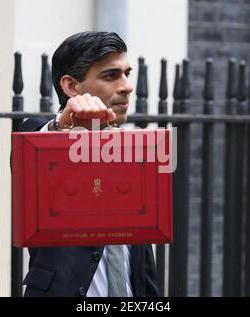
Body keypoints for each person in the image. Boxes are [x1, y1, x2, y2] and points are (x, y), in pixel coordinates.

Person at [20, 31, 159, 297]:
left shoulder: (135, 151)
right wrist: (66, 126)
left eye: (127, 73)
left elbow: (142, 262)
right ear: (72, 86)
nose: (127, 86)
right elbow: (34, 144)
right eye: (111, 75)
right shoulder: (40, 137)